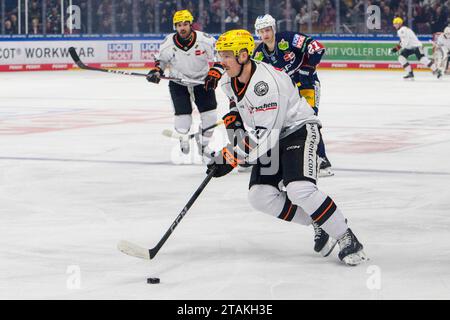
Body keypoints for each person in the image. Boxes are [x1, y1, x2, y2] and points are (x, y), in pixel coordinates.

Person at [206, 29, 367, 266]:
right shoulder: (230, 80)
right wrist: (235, 127)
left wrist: (230, 156)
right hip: (272, 134)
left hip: (297, 130)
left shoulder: (266, 84)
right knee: (259, 196)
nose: (222, 61)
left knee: (299, 189)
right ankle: (318, 221)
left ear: (243, 55)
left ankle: (346, 237)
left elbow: (265, 136)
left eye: (227, 56)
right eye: (220, 55)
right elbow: (236, 108)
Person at [253, 14, 333, 178]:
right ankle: (291, 160)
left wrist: (308, 67)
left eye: (268, 30)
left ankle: (321, 159)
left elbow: (317, 47)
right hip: (287, 93)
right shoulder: (259, 54)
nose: (265, 34)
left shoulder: (288, 39)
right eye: (261, 31)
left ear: (274, 29)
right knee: (284, 125)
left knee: (309, 121)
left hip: (307, 85)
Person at [147, 9, 218, 157]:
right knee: (183, 118)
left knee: (210, 116)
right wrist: (156, 71)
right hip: (178, 83)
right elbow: (161, 61)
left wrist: (214, 73)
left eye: (185, 24)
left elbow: (218, 56)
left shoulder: (204, 39)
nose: (183, 27)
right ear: (175, 27)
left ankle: (204, 145)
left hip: (202, 81)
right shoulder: (168, 43)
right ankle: (183, 137)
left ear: (191, 25)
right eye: (179, 25)